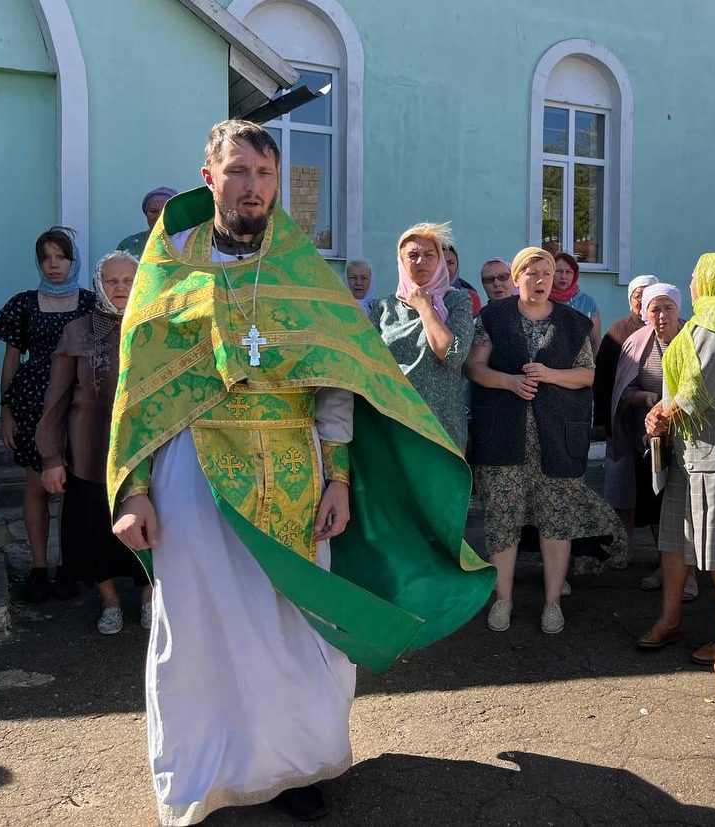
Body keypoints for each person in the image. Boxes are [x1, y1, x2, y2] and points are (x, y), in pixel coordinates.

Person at [108, 120, 493, 825]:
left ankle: (293, 766)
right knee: (198, 627)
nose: (252, 187)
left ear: (276, 183)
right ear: (210, 178)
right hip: (193, 473)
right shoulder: (170, 270)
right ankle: (206, 772)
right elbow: (138, 387)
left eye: (264, 174)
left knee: (295, 625)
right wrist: (133, 488)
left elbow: (337, 380)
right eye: (238, 172)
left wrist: (339, 475)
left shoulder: (302, 271)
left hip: (293, 470)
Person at [466, 247, 625, 635]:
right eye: (532, 273)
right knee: (503, 521)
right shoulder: (493, 317)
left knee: (557, 522)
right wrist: (511, 382)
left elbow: (587, 376)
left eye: (547, 273)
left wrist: (548, 374)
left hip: (557, 439)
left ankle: (552, 602)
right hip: (503, 438)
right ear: (517, 277)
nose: (541, 281)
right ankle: (502, 600)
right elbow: (474, 366)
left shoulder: (573, 323)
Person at [640, 254, 715, 665]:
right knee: (674, 541)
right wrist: (664, 416)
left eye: (694, 276)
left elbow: (696, 389)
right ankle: (670, 619)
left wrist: (660, 415)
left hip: (714, 454)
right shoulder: (713, 318)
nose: (690, 282)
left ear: (712, 279)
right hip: (692, 453)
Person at [35, 252, 152, 634]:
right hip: (90, 451)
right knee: (94, 530)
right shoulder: (78, 331)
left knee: (151, 526)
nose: (120, 289)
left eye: (128, 281)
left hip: (146, 451)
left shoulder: (155, 326)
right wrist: (51, 457)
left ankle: (150, 596)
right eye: (112, 281)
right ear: (99, 285)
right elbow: (55, 399)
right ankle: (110, 601)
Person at [0, 226, 96, 603]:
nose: (53, 265)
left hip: (79, 406)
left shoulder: (90, 304)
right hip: (32, 405)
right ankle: (39, 567)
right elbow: (10, 362)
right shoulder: (23, 303)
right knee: (37, 486)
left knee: (71, 488)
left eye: (61, 257)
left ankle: (69, 565)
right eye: (46, 258)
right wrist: (5, 412)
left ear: (73, 261)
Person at [368, 223, 474, 447]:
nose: (421, 261)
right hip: (396, 422)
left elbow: (453, 355)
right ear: (401, 261)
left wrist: (425, 306)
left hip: (442, 424)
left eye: (429, 254)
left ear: (439, 261)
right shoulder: (382, 308)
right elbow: (370, 366)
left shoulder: (457, 301)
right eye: (412, 255)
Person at [605, 283, 680, 556]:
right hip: (648, 440)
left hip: (686, 438)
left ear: (678, 309)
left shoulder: (691, 338)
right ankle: (663, 565)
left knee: (680, 505)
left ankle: (685, 574)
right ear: (646, 313)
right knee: (655, 502)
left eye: (668, 308)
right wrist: (643, 396)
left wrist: (668, 405)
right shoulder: (635, 343)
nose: (662, 316)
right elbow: (622, 391)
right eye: (655, 309)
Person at [594, 274, 659, 438]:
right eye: (638, 296)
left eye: (648, 295)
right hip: (625, 411)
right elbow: (602, 376)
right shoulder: (618, 330)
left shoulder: (667, 328)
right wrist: (601, 418)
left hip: (660, 411)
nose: (643, 300)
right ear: (630, 301)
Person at [552, 251, 601, 353]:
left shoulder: (586, 302)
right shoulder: (543, 298)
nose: (563, 276)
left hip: (580, 365)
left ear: (575, 275)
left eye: (569, 272)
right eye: (559, 271)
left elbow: (595, 342)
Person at [116, 187, 177, 257]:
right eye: (153, 211)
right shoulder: (129, 245)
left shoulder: (188, 246)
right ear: (146, 214)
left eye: (166, 211)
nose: (159, 217)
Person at [443, 242, 482, 315]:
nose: (446, 268)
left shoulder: (470, 296)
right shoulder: (422, 294)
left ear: (457, 266)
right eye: (441, 263)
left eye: (451, 263)